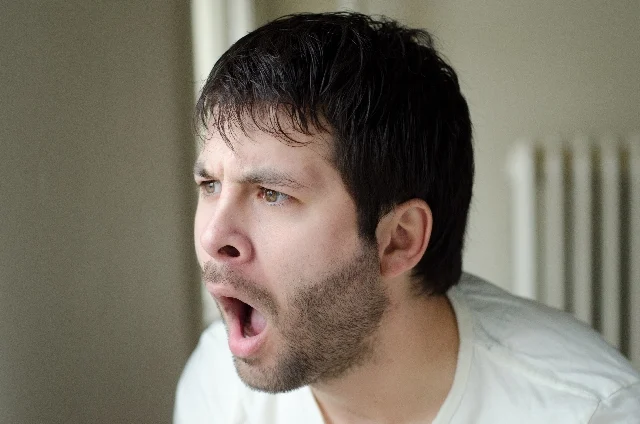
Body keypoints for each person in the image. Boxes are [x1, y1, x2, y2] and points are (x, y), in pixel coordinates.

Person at [174, 11, 640, 424]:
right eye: (210, 185)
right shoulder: (218, 384)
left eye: (272, 194)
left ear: (398, 239)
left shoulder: (589, 411)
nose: (214, 236)